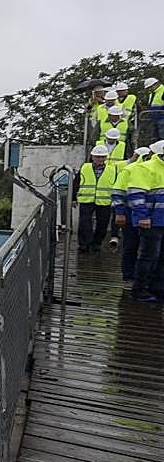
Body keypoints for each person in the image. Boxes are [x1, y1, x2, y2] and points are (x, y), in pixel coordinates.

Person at [125, 141, 164, 300]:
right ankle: (139, 289)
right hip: (151, 221)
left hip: (161, 220)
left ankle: (158, 289)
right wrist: (143, 216)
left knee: (162, 257)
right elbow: (135, 194)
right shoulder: (146, 168)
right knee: (149, 256)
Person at [74, 143, 117, 253]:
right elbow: (76, 183)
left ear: (106, 158)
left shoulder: (112, 170)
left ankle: (96, 244)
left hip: (104, 201)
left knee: (102, 224)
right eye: (97, 157)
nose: (100, 159)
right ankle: (84, 244)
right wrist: (73, 198)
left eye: (102, 157)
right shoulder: (84, 167)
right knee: (84, 223)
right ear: (92, 157)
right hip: (86, 200)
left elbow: (116, 185)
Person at [146, 77, 164, 142]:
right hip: (154, 119)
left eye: (150, 87)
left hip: (162, 118)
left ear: (156, 84)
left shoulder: (163, 90)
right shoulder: (152, 94)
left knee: (162, 138)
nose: (149, 89)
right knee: (155, 139)